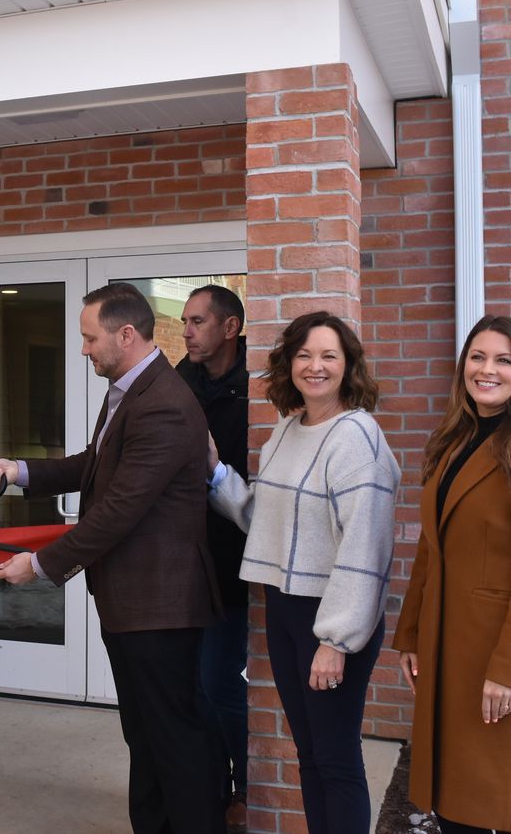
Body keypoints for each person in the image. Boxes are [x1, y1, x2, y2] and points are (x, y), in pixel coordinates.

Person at [0, 282, 224, 834]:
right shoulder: (135, 389)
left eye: (90, 338)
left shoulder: (163, 403)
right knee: (147, 733)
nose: (83, 349)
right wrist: (17, 470)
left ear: (126, 334)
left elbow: (118, 509)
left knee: (174, 739)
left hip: (160, 605)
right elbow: (96, 464)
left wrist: (39, 566)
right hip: (134, 603)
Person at [208, 311, 400, 834]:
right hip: (285, 607)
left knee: (336, 758)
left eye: (329, 356)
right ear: (289, 363)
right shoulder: (289, 430)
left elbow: (366, 547)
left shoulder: (357, 438)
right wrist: (215, 473)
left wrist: (335, 640)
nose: (315, 366)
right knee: (310, 753)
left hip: (331, 615)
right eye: (304, 355)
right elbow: (264, 519)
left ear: (348, 366)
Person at [393, 315, 511, 834]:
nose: (487, 370)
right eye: (478, 357)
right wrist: (412, 634)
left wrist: (507, 667)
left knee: (491, 798)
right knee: (453, 800)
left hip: (493, 652)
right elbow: (429, 547)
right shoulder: (453, 439)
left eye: (504, 360)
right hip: (447, 644)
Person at [177, 285, 249, 831]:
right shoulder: (181, 382)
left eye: (197, 321)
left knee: (219, 682)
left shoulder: (259, 389)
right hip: (180, 561)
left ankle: (242, 787)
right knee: (193, 685)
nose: (186, 331)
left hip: (232, 560)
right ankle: (211, 789)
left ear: (230, 327)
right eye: (185, 321)